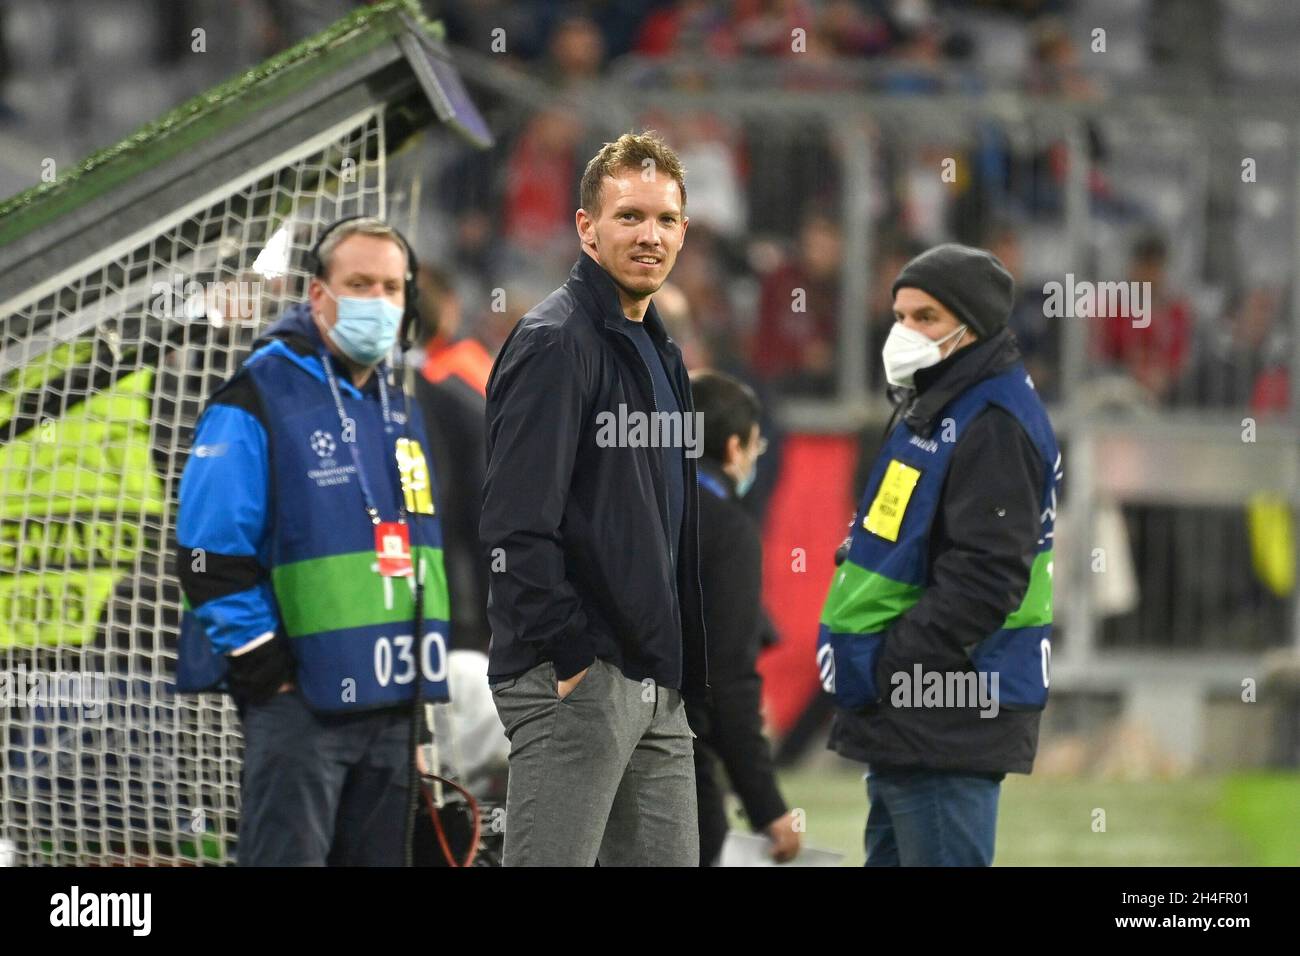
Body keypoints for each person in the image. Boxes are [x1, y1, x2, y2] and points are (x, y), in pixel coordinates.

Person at [175, 217, 451, 866]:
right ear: (317, 294)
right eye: (359, 284)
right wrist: (270, 676)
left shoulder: (397, 406)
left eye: (392, 287)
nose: (378, 303)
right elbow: (207, 557)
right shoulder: (254, 395)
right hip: (300, 710)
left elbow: (413, 560)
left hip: (393, 709)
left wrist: (415, 715)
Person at [480, 130, 706, 866]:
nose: (651, 236)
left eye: (666, 220)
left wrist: (672, 668)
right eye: (630, 216)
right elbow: (515, 522)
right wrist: (571, 654)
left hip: (652, 684)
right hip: (576, 676)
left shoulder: (661, 350)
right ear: (586, 228)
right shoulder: (555, 341)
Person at [816, 243, 1062, 866]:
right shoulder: (937, 403)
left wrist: (895, 665)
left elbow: (987, 578)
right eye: (900, 315)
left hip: (944, 712)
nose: (905, 332)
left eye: (925, 317)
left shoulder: (993, 421)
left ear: (971, 325)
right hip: (913, 717)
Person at [688, 369, 799, 866]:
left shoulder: (631, 504)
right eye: (755, 447)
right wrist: (765, 805)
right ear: (734, 448)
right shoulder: (728, 530)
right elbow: (726, 680)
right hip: (674, 760)